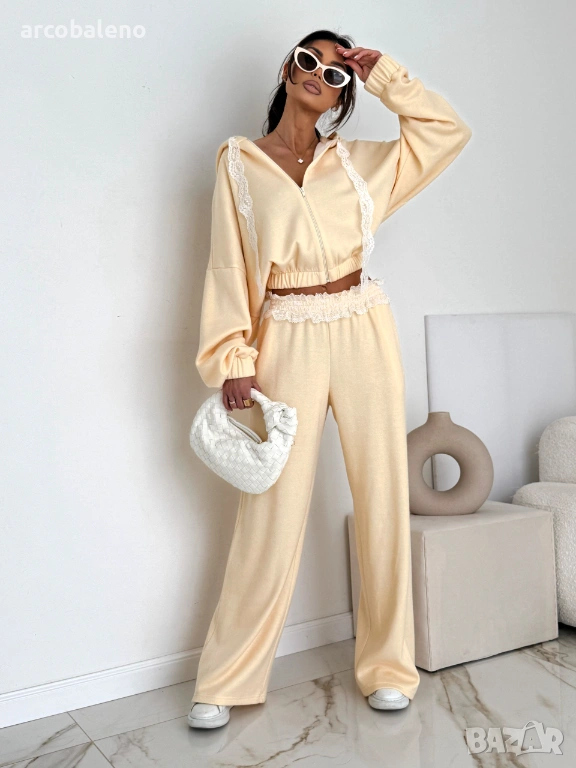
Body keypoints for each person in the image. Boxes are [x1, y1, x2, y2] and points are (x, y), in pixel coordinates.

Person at [188, 29, 472, 729]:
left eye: (335, 72)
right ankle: (226, 677)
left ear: (344, 95)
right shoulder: (239, 162)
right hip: (286, 331)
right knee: (272, 506)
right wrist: (233, 357)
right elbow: (227, 265)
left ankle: (388, 668)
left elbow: (447, 132)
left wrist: (386, 76)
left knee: (382, 493)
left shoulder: (361, 165)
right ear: (288, 69)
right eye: (308, 60)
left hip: (363, 322)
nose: (318, 73)